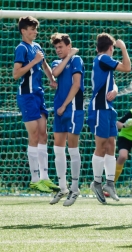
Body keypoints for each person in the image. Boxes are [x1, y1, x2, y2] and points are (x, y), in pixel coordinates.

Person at [13, 16, 59, 193]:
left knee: (43, 135)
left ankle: (45, 178)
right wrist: (32, 62)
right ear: (23, 31)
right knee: (33, 135)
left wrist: (52, 80)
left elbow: (45, 65)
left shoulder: (37, 47)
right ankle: (34, 179)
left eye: (35, 29)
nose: (35, 31)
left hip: (39, 95)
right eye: (31, 29)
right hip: (27, 96)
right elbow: (16, 74)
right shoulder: (21, 48)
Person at [87, 33, 131, 204]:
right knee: (101, 145)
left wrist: (116, 89)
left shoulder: (103, 62)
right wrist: (124, 47)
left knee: (111, 144)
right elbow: (127, 67)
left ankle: (110, 183)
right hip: (99, 109)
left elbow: (110, 81)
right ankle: (96, 183)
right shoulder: (103, 58)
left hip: (108, 109)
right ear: (111, 48)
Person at [49, 33, 85, 206]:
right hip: (60, 110)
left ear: (68, 46)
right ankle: (62, 187)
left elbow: (77, 84)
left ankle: (75, 188)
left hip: (73, 109)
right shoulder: (59, 62)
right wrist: (68, 55)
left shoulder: (76, 60)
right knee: (57, 148)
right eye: (56, 48)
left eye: (61, 47)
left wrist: (64, 105)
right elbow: (55, 72)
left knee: (72, 148)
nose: (58, 50)